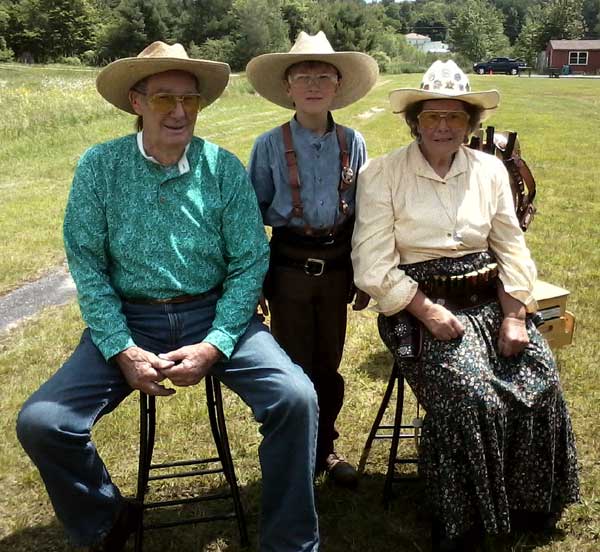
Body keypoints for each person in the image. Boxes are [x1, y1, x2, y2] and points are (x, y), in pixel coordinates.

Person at [16, 41, 319, 552]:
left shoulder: (221, 167)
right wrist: (120, 348)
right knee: (43, 422)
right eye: (163, 99)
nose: (179, 112)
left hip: (215, 312)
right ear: (136, 102)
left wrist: (216, 343)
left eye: (190, 100)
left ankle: (290, 542)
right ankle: (105, 519)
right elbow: (87, 265)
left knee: (297, 398)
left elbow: (249, 261)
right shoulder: (100, 166)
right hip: (130, 319)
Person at [351, 60, 579, 550]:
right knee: (472, 395)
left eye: (455, 117)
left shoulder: (490, 169)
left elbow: (511, 247)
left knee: (541, 378)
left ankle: (526, 503)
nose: (442, 126)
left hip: (490, 301)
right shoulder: (383, 174)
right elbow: (371, 266)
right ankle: (466, 516)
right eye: (432, 116)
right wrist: (428, 312)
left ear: (470, 124)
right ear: (414, 120)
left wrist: (516, 315)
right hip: (418, 309)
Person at [246, 31, 378, 487]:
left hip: (337, 267)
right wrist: (255, 283)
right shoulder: (268, 146)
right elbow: (250, 220)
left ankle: (325, 449)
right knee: (291, 366)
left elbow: (366, 213)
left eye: (324, 75)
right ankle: (291, 452)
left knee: (329, 363)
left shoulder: (353, 141)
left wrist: (362, 272)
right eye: (304, 75)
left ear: (337, 85)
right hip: (288, 269)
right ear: (288, 88)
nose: (314, 83)